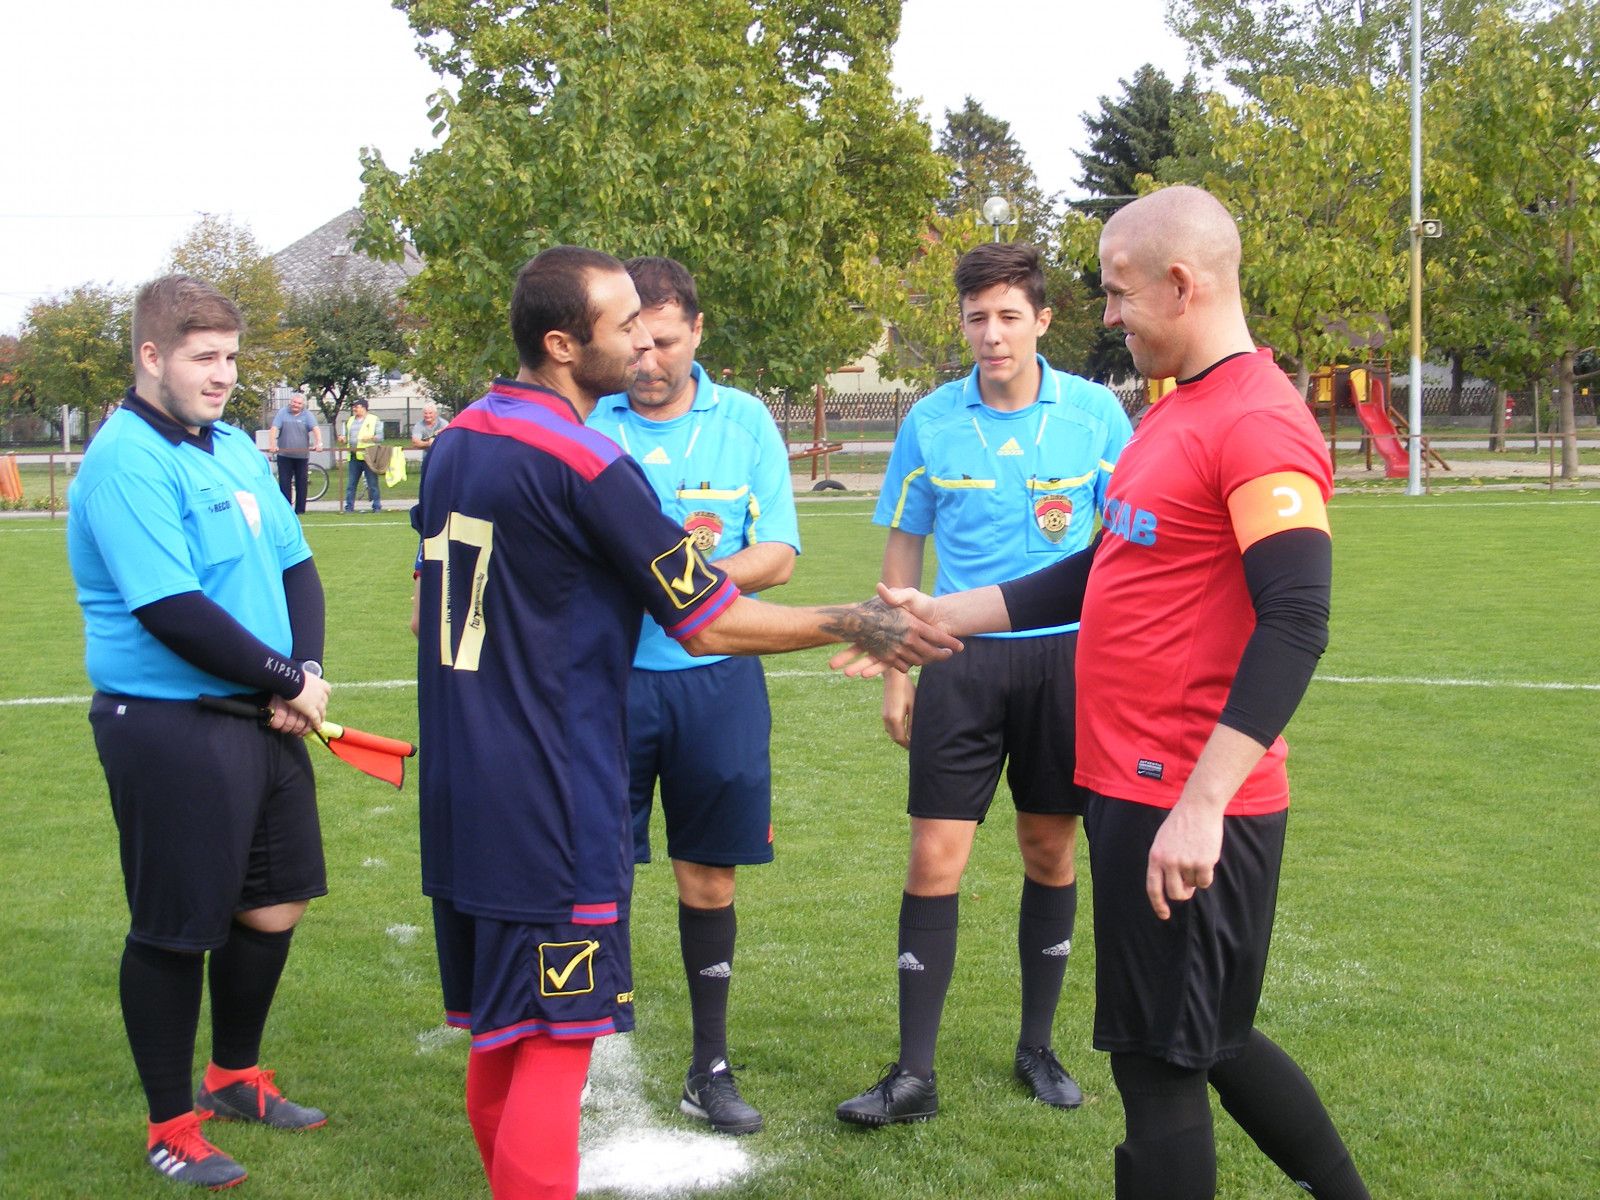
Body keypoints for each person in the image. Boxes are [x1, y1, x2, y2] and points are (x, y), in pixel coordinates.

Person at [848, 186, 1369, 1200]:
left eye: (1119, 292)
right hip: (1134, 785)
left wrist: (1203, 803)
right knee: (1207, 1040)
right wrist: (939, 615)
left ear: (1182, 283)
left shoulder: (1258, 421)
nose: (1110, 313)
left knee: (1160, 1065)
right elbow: (1102, 569)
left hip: (1185, 797)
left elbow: (1297, 618)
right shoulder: (1175, 412)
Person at [412, 244, 959, 1200]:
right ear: (561, 344)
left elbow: (431, 614)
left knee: (503, 1032)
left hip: (465, 789)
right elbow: (706, 623)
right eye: (623, 324)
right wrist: (856, 621)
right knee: (556, 1045)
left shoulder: (461, 437)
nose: (642, 340)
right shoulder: (588, 460)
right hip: (551, 800)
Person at [835, 242, 1131, 1127]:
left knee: (1049, 850)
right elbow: (903, 544)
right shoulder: (931, 420)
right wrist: (897, 670)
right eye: (977, 319)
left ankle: (1038, 1046)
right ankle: (913, 1075)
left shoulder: (1096, 415)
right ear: (962, 325)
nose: (992, 334)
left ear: (1043, 320)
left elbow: (1122, 547)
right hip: (956, 661)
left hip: (1065, 661)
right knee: (935, 856)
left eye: (1008, 316)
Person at [67, 274, 335, 1191]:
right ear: (152, 356)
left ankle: (231, 1078)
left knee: (275, 905)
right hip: (171, 725)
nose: (223, 375)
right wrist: (288, 681)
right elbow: (171, 609)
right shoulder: (126, 459)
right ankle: (169, 1124)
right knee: (176, 930)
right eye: (203, 357)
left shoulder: (231, 448)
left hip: (262, 717)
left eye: (230, 358)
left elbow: (297, 565)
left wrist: (304, 672)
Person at [584, 256, 798, 1135]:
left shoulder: (745, 421)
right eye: (635, 343)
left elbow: (778, 554)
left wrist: (681, 587)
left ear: (697, 332)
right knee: (594, 872)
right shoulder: (588, 420)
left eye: (666, 342)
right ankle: (581, 1050)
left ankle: (709, 1065)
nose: (647, 361)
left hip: (718, 682)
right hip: (605, 685)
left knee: (708, 875)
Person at [268, 391, 322, 513]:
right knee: (284, 483)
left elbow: (316, 429)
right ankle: (286, 510)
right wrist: (272, 444)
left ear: (303, 405)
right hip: (284, 455)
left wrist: (319, 443)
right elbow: (274, 428)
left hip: (302, 456)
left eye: (299, 403)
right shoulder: (282, 412)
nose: (296, 405)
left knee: (301, 484)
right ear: (290, 402)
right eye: (294, 402)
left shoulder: (307, 414)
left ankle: (300, 510)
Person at [339, 397, 382, 512]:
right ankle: (349, 507)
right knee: (351, 484)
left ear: (364, 408)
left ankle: (377, 507)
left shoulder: (374, 419)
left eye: (356, 407)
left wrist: (371, 437)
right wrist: (343, 439)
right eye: (353, 407)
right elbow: (346, 437)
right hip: (353, 456)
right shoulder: (350, 420)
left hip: (369, 456)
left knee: (372, 483)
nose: (354, 409)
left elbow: (380, 437)